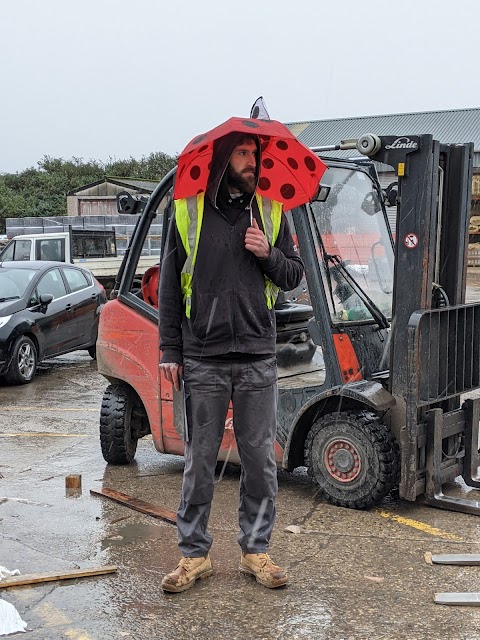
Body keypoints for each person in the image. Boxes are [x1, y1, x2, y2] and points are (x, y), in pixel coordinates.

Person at [158, 131, 304, 592]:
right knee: (199, 460)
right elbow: (167, 285)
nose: (251, 160)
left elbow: (293, 276)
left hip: (258, 354)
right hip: (204, 355)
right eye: (242, 153)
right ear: (223, 157)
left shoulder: (272, 211)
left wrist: (268, 253)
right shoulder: (186, 211)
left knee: (260, 459)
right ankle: (194, 556)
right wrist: (169, 350)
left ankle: (255, 551)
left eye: (254, 154)